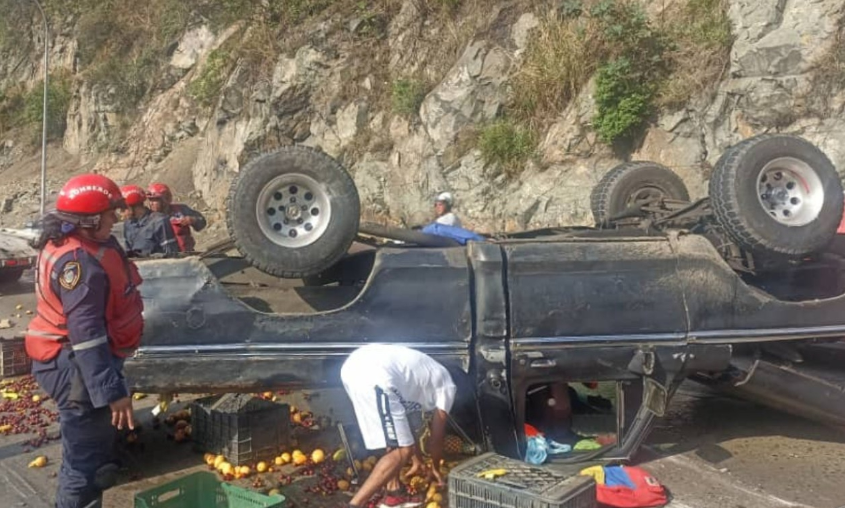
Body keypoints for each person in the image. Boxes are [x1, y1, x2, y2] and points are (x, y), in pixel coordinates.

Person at [25, 173, 143, 508]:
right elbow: (87, 336)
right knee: (85, 469)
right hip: (75, 366)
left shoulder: (81, 241)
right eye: (110, 214)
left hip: (76, 359)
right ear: (89, 220)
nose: (116, 219)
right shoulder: (79, 266)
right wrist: (112, 393)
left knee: (95, 450)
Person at [341, 344, 457, 508]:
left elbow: (404, 425)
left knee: (395, 442)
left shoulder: (423, 378)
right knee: (402, 450)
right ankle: (354, 505)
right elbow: (436, 439)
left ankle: (393, 495)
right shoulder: (448, 386)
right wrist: (435, 467)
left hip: (353, 368)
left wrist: (417, 460)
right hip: (375, 376)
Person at [120, 184, 179, 258]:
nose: (121, 213)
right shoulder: (128, 225)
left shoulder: (160, 222)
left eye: (123, 209)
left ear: (134, 207)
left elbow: (172, 254)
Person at [146, 182, 207, 252]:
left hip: (187, 255)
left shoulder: (181, 209)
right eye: (150, 200)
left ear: (165, 199)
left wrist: (193, 220)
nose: (151, 203)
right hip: (166, 259)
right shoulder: (148, 219)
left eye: (155, 200)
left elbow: (202, 222)